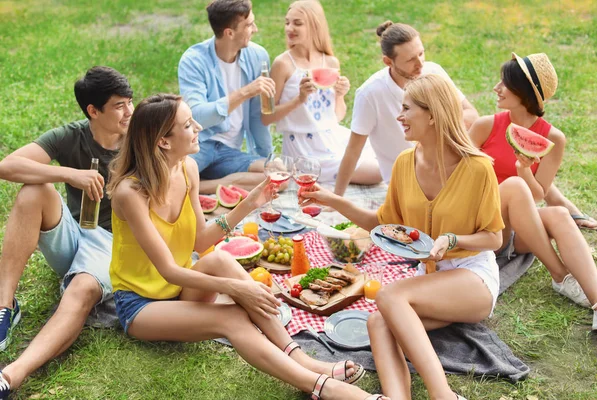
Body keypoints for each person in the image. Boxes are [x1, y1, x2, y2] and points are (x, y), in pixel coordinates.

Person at [105, 93, 386, 400]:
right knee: (231, 315)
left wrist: (252, 201)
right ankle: (321, 387)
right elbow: (169, 271)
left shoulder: (186, 170)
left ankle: (300, 358)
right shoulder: (130, 193)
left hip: (181, 292)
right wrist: (237, 289)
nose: (198, 127)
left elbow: (200, 241)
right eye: (188, 124)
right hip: (141, 304)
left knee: (224, 261)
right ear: (163, 142)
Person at [300, 74, 503, 400]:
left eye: (407, 109)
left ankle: (443, 395)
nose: (399, 116)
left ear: (433, 114)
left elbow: (494, 238)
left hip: (472, 276)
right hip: (428, 280)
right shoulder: (405, 164)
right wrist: (330, 199)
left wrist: (452, 241)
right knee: (378, 324)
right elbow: (381, 223)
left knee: (390, 296)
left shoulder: (478, 168)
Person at [0, 66, 133, 398]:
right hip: (76, 235)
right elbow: (7, 166)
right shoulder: (72, 136)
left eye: (130, 102)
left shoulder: (138, 137)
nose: (129, 111)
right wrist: (71, 175)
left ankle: (9, 377)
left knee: (83, 289)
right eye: (119, 105)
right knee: (34, 190)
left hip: (115, 246)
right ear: (93, 111)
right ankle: (5, 306)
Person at [469, 52, 597, 327]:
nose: (496, 88)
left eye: (504, 83)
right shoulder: (485, 126)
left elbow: (539, 195)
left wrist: (524, 169)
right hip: (483, 225)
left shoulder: (553, 138)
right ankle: (561, 274)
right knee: (515, 187)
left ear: (524, 92)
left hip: (519, 227)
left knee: (560, 216)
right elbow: (457, 175)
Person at [334, 21, 479, 196]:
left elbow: (471, 114)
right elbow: (353, 150)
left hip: (446, 169)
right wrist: (337, 198)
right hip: (406, 183)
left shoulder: (434, 72)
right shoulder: (370, 94)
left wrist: (441, 131)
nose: (420, 64)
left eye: (421, 53)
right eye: (411, 59)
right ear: (388, 61)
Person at [260, 0, 381, 184]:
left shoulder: (331, 63)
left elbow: (336, 116)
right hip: (303, 149)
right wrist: (299, 99)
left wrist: (340, 95)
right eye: (287, 22)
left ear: (314, 26)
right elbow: (266, 118)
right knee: (377, 173)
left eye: (297, 23)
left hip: (333, 137)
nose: (289, 28)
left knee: (384, 149)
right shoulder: (282, 64)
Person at [178, 0, 276, 194]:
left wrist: (267, 158)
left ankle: (214, 183)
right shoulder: (193, 61)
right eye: (248, 25)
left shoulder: (258, 56)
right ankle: (209, 183)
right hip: (199, 145)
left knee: (278, 175)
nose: (255, 29)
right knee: (169, 183)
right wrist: (245, 92)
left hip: (229, 152)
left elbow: (258, 115)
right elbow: (196, 115)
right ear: (229, 33)